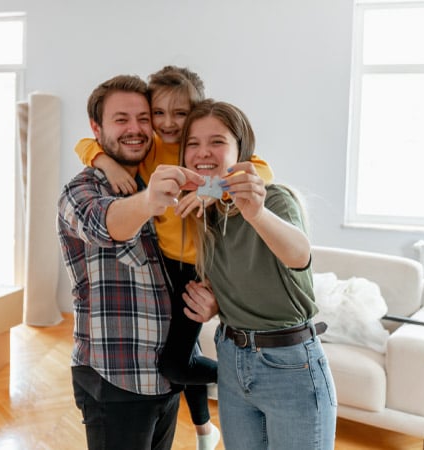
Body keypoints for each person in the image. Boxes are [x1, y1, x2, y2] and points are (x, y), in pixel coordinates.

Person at [74, 65, 274, 450]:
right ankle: (204, 429)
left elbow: (260, 170)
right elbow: (84, 144)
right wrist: (106, 162)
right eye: (159, 113)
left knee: (176, 363)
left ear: (196, 113)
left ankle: (245, 381)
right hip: (165, 264)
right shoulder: (149, 153)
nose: (167, 123)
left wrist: (213, 189)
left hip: (198, 268)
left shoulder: (205, 152)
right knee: (183, 353)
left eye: (180, 114)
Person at [57, 74, 218, 450]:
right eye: (121, 119)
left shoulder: (160, 175)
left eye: (143, 118)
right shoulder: (81, 190)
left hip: (165, 381)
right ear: (97, 129)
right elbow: (104, 223)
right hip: (116, 380)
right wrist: (148, 201)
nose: (136, 128)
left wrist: (212, 302)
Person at [179, 98, 337, 450]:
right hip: (232, 360)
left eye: (217, 141)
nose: (203, 152)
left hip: (291, 364)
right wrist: (217, 305)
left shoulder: (274, 199)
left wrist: (256, 214)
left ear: (241, 151)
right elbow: (244, 278)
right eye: (193, 143)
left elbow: (299, 256)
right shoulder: (205, 215)